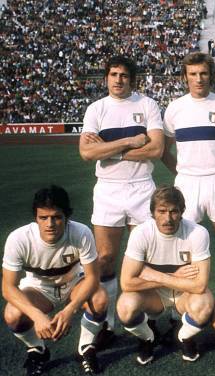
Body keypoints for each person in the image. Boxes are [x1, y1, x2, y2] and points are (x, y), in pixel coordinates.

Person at [79, 55, 164, 340]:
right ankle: (106, 324)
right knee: (105, 258)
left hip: (142, 187)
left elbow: (156, 150)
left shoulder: (147, 105)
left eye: (123, 75)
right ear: (106, 77)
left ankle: (151, 319)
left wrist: (107, 148)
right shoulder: (96, 109)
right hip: (108, 189)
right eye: (113, 74)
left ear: (132, 79)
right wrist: (128, 142)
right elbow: (87, 153)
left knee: (147, 258)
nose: (118, 80)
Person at [162, 52, 215, 291]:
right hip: (187, 183)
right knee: (183, 247)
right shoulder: (175, 108)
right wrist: (180, 171)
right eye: (193, 74)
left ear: (211, 76)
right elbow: (162, 150)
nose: (198, 79)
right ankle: (185, 308)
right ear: (185, 77)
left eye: (203, 73)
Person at [2, 186, 108, 376]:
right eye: (43, 218)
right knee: (12, 314)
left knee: (99, 298)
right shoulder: (18, 239)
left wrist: (70, 309)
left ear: (67, 216)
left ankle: (86, 347)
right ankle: (37, 350)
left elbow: (93, 277)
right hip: (38, 288)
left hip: (74, 283)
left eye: (56, 217)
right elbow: (8, 288)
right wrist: (36, 315)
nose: (49, 224)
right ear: (36, 217)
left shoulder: (81, 232)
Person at [116, 186, 214, 365]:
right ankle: (148, 338)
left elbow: (200, 286)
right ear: (153, 212)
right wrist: (173, 275)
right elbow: (127, 283)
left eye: (173, 211)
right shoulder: (140, 233)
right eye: (161, 211)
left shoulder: (197, 233)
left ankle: (183, 337)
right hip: (156, 296)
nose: (168, 218)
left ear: (182, 212)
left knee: (204, 304)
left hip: (184, 294)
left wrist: (156, 275)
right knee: (125, 306)